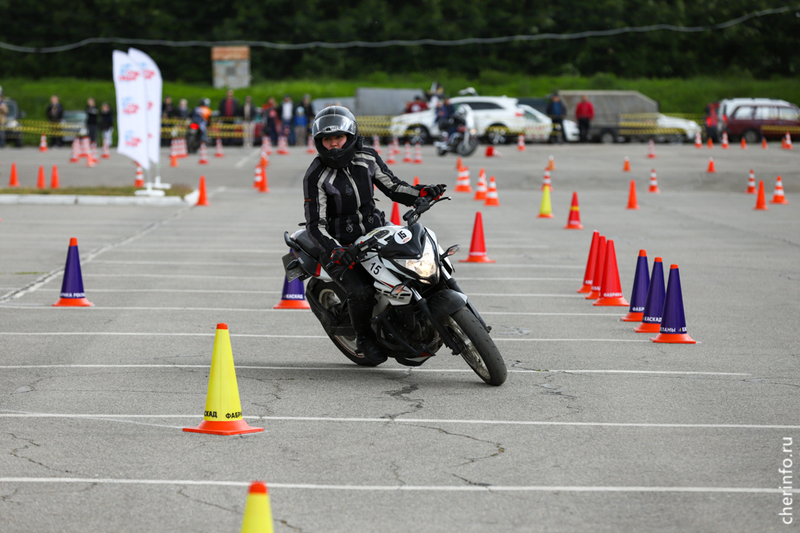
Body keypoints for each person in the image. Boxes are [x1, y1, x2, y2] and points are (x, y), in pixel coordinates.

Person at [303, 106, 446, 363]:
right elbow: (316, 225)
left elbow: (393, 186)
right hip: (341, 246)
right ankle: (365, 338)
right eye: (327, 140)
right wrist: (335, 251)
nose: (334, 145)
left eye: (339, 138)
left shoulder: (367, 157)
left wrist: (422, 193)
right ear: (319, 143)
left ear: (351, 136)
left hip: (376, 231)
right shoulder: (316, 175)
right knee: (362, 292)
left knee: (415, 260)